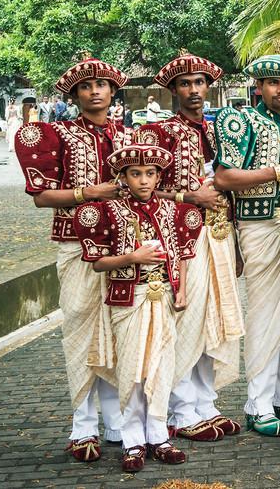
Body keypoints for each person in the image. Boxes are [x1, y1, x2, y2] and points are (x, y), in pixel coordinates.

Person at [14, 57, 131, 461]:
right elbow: (42, 197)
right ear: (76, 95)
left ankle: (118, 422)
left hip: (125, 245)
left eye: (102, 85)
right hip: (76, 246)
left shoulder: (130, 136)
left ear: (114, 92)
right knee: (80, 332)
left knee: (120, 332)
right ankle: (83, 425)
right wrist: (89, 194)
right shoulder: (58, 135)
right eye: (86, 86)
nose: (95, 91)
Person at [134, 53, 244, 442]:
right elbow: (141, 187)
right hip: (178, 238)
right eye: (185, 84)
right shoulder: (157, 132)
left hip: (217, 235)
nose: (193, 90)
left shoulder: (215, 130)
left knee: (211, 316)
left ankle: (205, 403)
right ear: (172, 90)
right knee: (186, 318)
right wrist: (189, 195)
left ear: (208, 86)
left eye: (199, 83)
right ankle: (179, 410)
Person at [213, 54, 280, 437]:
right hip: (260, 225)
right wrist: (277, 172)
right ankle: (257, 403)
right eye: (274, 82)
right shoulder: (240, 120)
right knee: (265, 314)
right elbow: (224, 177)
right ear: (258, 86)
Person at [73, 144, 202, 471]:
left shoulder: (172, 211)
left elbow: (183, 255)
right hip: (128, 300)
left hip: (165, 299)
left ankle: (159, 435)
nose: (143, 181)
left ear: (159, 176)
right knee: (133, 370)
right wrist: (132, 258)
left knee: (160, 367)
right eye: (135, 174)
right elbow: (98, 263)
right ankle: (133, 440)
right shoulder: (109, 212)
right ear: (123, 177)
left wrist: (182, 290)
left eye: (150, 174)